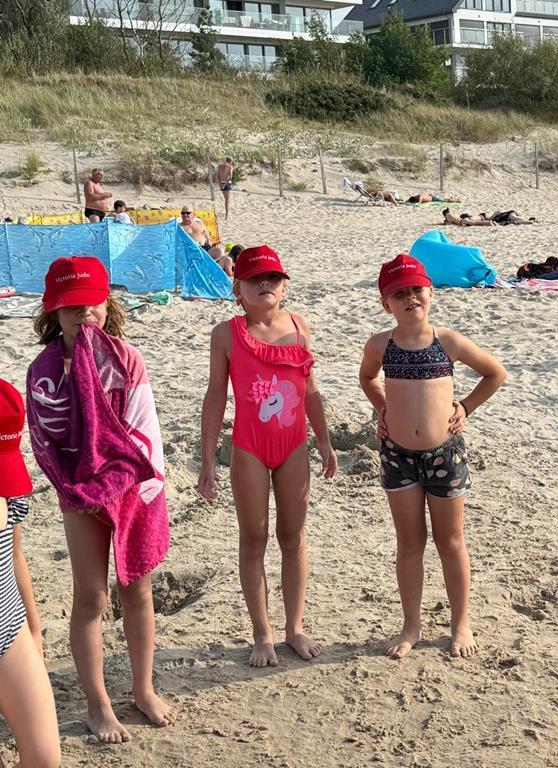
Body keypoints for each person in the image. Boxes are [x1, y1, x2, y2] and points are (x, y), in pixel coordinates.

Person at [26, 257, 175, 743]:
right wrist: (79, 491)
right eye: (71, 306)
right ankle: (98, 704)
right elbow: (45, 442)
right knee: (91, 597)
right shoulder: (44, 373)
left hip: (134, 489)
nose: (83, 313)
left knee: (138, 591)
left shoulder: (128, 360)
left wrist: (116, 485)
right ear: (53, 312)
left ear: (107, 305)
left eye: (91, 303)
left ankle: (143, 689)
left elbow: (143, 432)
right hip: (79, 496)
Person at [359, 254, 506, 659]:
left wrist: (466, 407)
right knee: (409, 543)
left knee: (451, 541)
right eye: (399, 294)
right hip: (397, 456)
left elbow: (495, 373)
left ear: (431, 293)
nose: (410, 299)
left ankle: (461, 623)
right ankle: (411, 625)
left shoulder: (449, 342)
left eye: (416, 290)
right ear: (385, 303)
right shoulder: (380, 345)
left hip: (445, 456)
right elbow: (367, 377)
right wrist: (382, 407)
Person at [198, 245, 336, 668]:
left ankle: (294, 628)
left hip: (294, 446)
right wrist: (207, 459)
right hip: (249, 448)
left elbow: (311, 391)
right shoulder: (226, 334)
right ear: (237, 289)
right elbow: (215, 396)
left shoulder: (300, 326)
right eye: (254, 278)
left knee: (292, 537)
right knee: (254, 538)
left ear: (285, 286)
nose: (264, 284)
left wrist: (325, 441)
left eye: (272, 277)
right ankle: (262, 634)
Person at [0, 379, 61, 768]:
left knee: (43, 758)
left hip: (9, 625)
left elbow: (15, 554)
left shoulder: (9, 487)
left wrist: (34, 629)